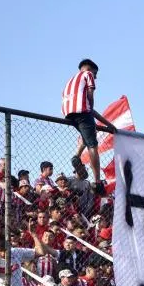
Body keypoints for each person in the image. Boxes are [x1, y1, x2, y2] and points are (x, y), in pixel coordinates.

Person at [61, 59, 105, 195]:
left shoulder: (70, 80)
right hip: (82, 112)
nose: (96, 76)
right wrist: (90, 106)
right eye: (95, 73)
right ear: (89, 69)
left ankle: (77, 155)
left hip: (68, 113)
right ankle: (97, 181)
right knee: (93, 145)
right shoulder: (88, 75)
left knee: (88, 135)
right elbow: (90, 96)